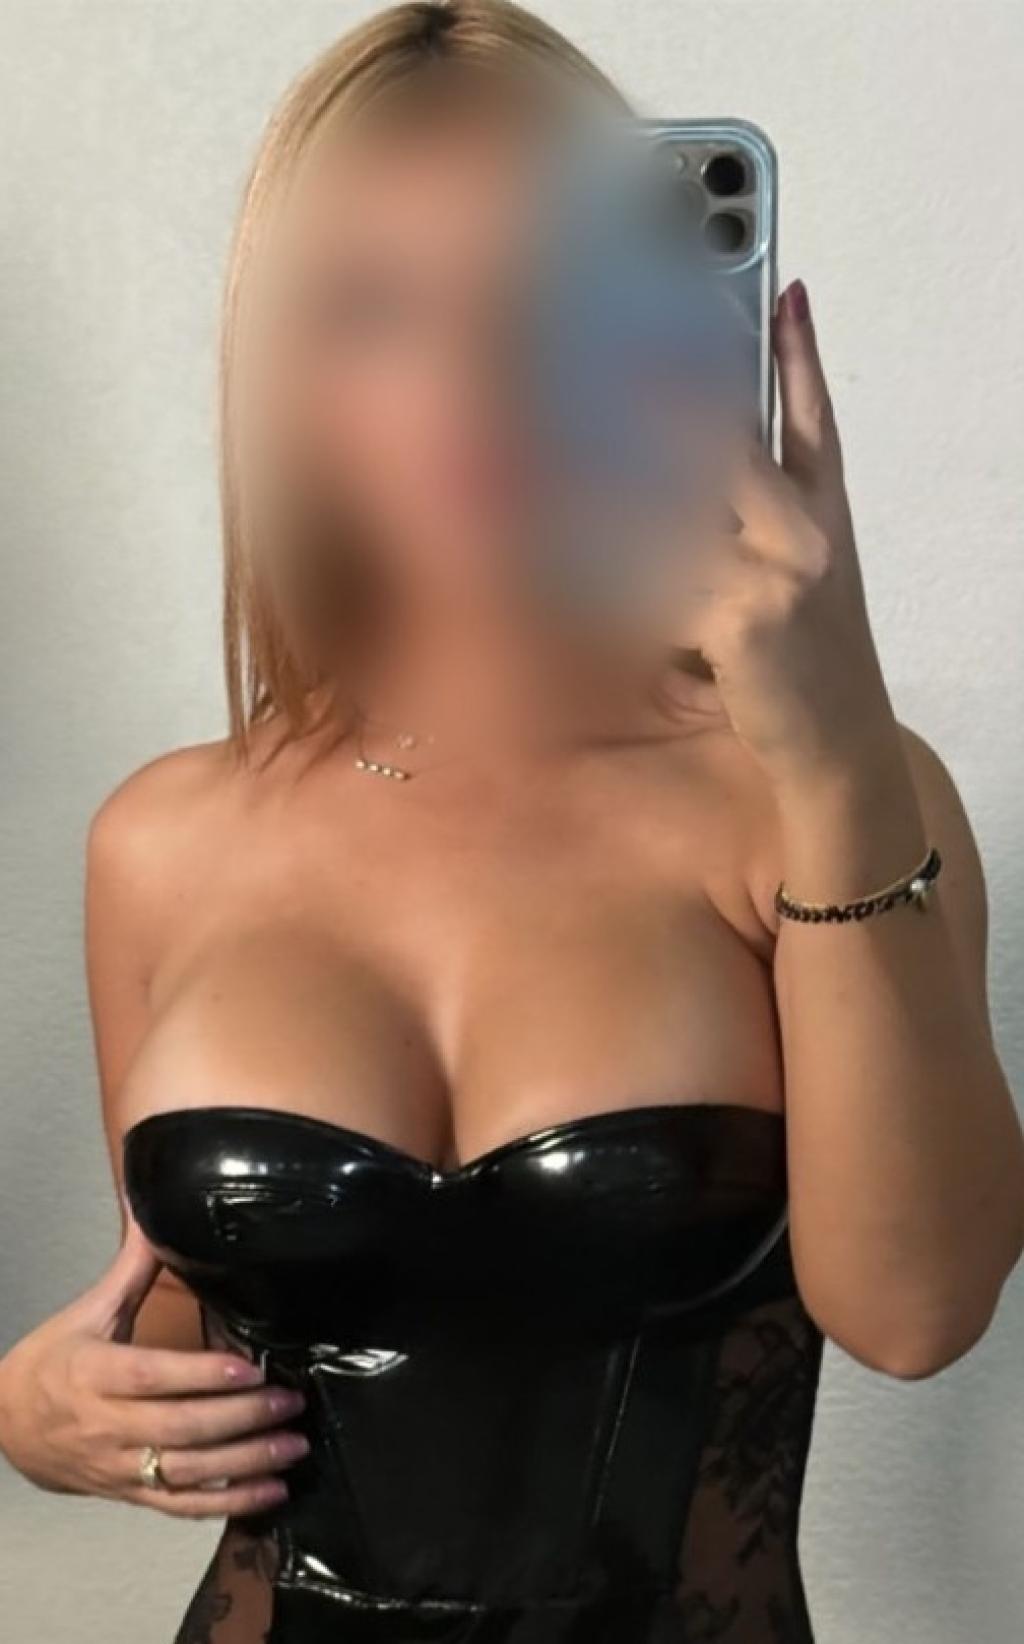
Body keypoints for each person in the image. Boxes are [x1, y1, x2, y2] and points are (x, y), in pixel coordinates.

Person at [0, 4, 1020, 1641]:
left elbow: (917, 1311)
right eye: (376, 309)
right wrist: (37, 1411)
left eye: (540, 298)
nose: (466, 381)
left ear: (646, 331)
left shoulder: (822, 791)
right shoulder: (165, 838)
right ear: (288, 369)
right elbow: (193, 1324)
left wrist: (833, 744)